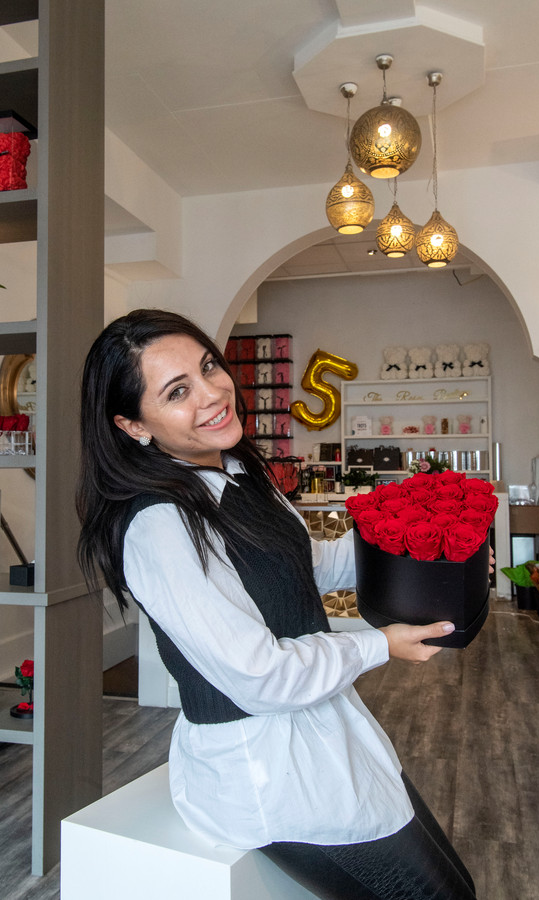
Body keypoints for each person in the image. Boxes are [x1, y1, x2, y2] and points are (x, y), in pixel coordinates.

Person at [77, 308, 479, 900]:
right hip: (266, 771)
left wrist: (428, 551)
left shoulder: (239, 472)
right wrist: (377, 644)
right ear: (134, 426)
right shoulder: (158, 525)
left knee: (457, 888)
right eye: (178, 391)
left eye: (209, 366)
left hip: (327, 735)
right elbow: (257, 675)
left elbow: (303, 569)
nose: (213, 393)